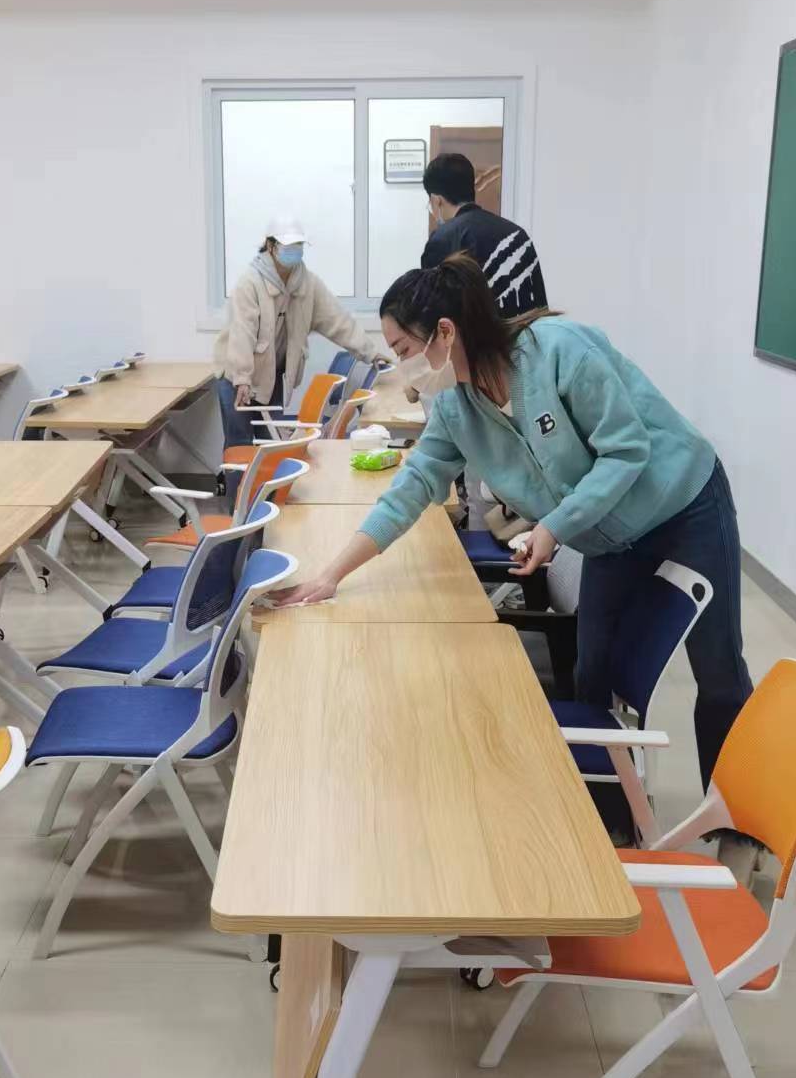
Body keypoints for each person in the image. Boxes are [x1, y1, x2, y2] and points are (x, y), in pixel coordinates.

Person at [278, 253, 754, 805]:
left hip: (684, 501)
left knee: (718, 671)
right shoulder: (457, 407)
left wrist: (553, 527)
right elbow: (412, 487)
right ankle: (609, 814)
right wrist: (332, 575)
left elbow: (626, 452)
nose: (402, 368)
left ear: (445, 332)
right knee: (593, 673)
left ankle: (736, 823)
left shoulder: (559, 352)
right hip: (606, 534)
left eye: (404, 351)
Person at [213, 215, 385, 449]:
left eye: (298, 246)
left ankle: (269, 476)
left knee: (270, 443)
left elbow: (338, 320)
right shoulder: (250, 283)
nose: (294, 251)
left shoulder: (307, 283)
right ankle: (239, 476)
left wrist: (371, 353)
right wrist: (242, 378)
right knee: (240, 445)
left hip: (270, 376)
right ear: (271, 246)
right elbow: (242, 333)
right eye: (288, 246)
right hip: (235, 374)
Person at [421, 153, 548, 317]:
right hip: (528, 331)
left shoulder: (442, 239)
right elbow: (539, 305)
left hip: (478, 334)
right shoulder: (516, 233)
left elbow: (434, 310)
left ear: (436, 200)